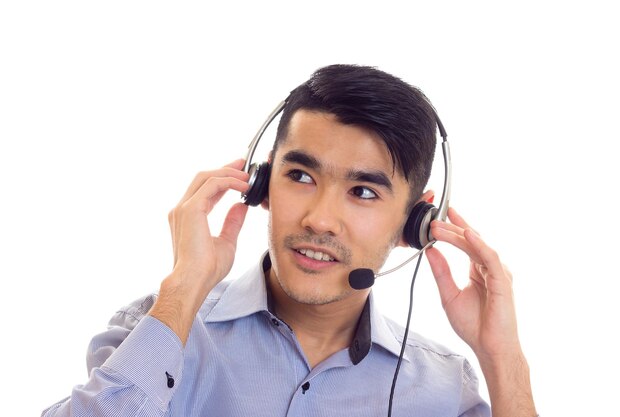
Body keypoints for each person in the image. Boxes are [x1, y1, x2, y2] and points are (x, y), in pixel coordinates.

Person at [42, 64, 537, 417]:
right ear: (260, 183)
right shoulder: (155, 331)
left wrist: (502, 356)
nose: (321, 219)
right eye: (300, 176)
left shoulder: (445, 391)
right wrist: (184, 288)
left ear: (416, 222)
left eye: (362, 191)